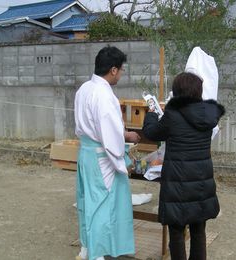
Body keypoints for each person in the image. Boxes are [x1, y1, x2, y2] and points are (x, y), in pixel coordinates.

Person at [142, 72, 225, 260]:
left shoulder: (173, 115)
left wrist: (152, 114)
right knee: (198, 232)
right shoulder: (208, 115)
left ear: (177, 92)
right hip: (201, 183)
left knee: (177, 233)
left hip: (178, 184)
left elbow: (151, 133)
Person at [74, 46, 141, 260]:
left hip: (86, 152)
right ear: (113, 70)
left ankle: (88, 248)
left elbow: (101, 127)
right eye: (121, 70)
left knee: (88, 202)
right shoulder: (104, 94)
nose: (121, 74)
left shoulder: (84, 88)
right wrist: (123, 158)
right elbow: (109, 135)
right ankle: (97, 253)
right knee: (101, 205)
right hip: (101, 156)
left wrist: (121, 134)